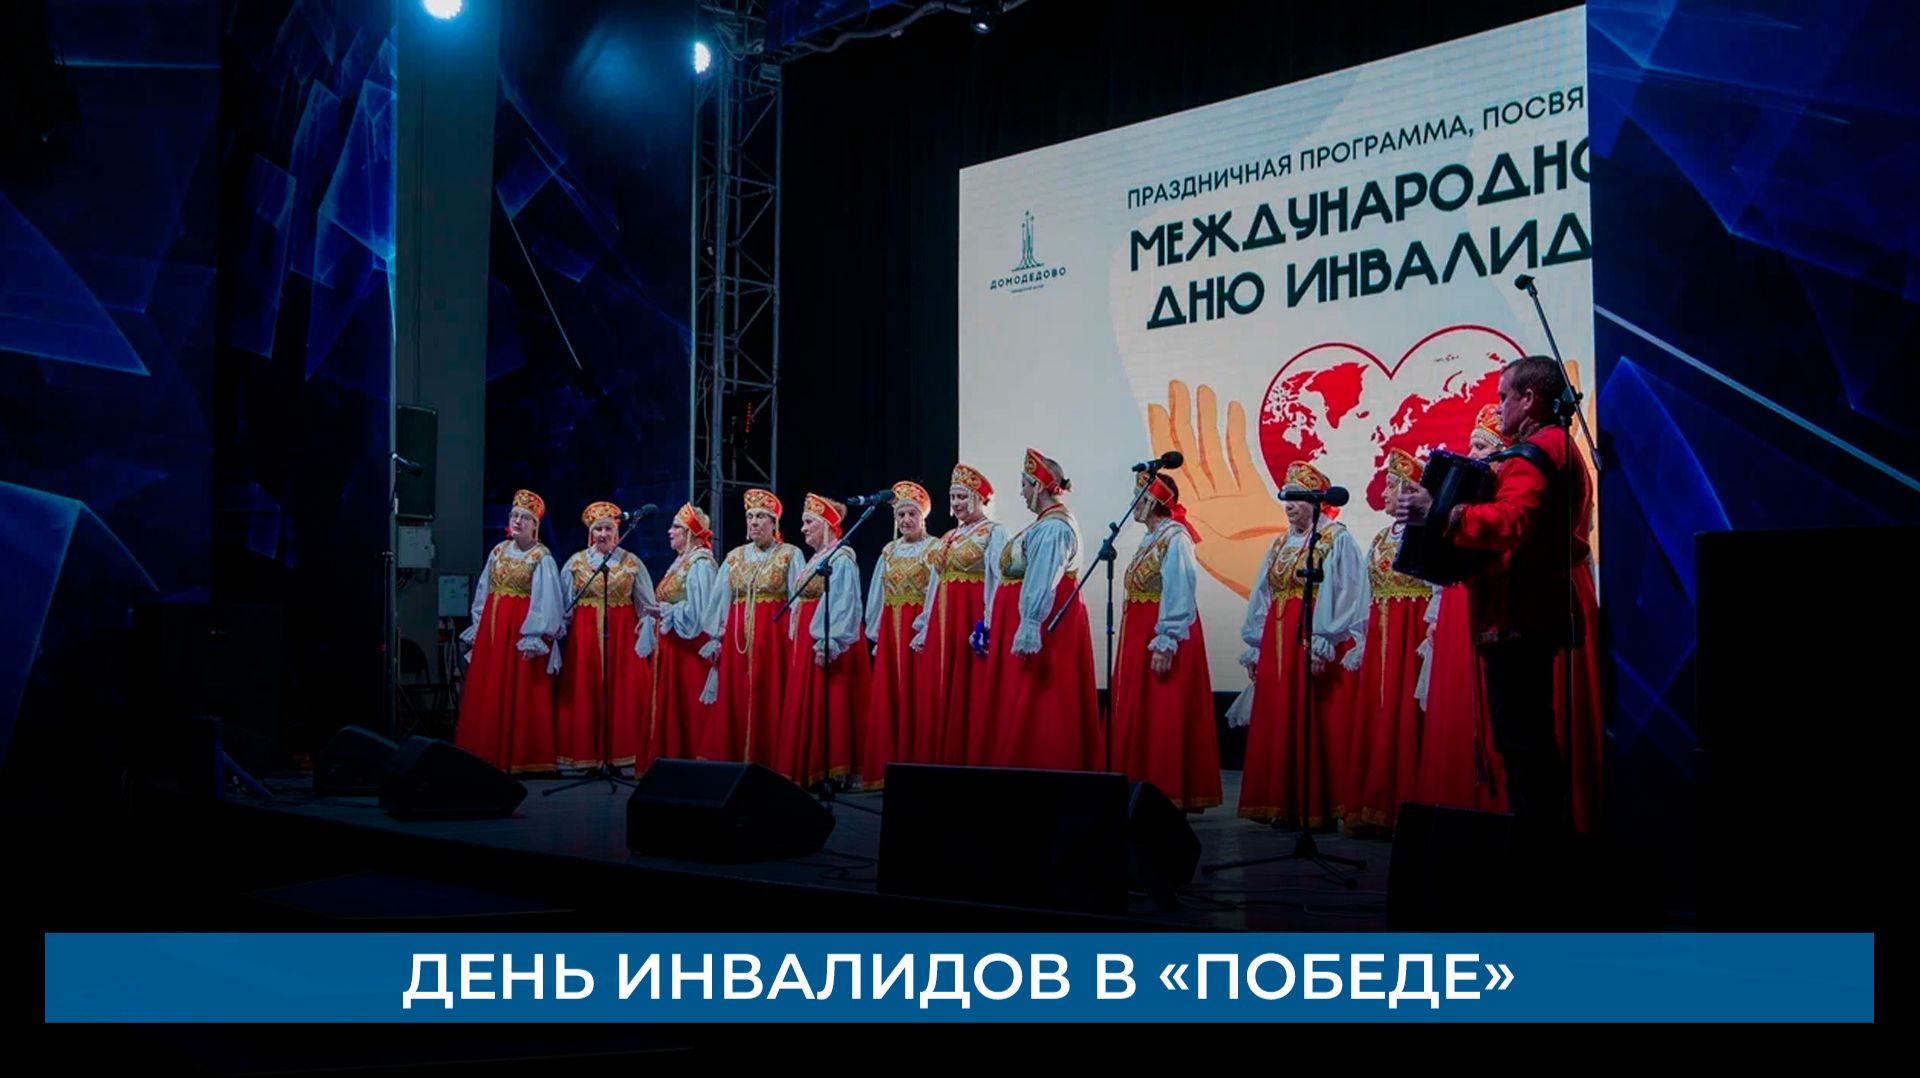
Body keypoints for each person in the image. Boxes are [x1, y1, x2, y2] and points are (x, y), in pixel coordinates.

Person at [1396, 355, 1593, 837]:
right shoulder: (1557, 448)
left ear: (1529, 399)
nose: (1499, 405)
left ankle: (1538, 853)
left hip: (1519, 616)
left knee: (1524, 744)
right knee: (1529, 741)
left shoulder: (1536, 454)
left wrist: (1441, 512)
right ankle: (1541, 847)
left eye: (1504, 396)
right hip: (1533, 611)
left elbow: (1513, 522)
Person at [1234, 461, 1370, 827]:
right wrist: (1256, 644)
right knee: (1282, 715)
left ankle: (1317, 806)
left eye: (1296, 499)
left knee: (1314, 717)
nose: (1289, 506)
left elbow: (1346, 593)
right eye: (1287, 499)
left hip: (1312, 637)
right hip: (1279, 640)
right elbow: (1263, 593)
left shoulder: (1336, 539)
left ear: (1315, 502)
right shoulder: (1281, 542)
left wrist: (1325, 640)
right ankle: (1285, 802)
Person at [973, 449, 1099, 770]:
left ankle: (1040, 762)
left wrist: (1029, 623)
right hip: (1026, 619)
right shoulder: (1044, 524)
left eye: (1024, 485)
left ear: (1039, 486)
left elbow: (1044, 577)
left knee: (1040, 698)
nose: (1021, 493)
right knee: (1023, 697)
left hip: (1042, 624)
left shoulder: (1054, 528)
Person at [1412, 405, 1510, 814]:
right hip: (1457, 602)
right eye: (1471, 446)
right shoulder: (1465, 496)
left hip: (1490, 601)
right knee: (1457, 702)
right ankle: (1455, 798)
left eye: (1481, 447)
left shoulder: (1502, 495)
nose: (1472, 454)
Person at [1110, 471, 1221, 811]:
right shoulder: (1152, 538)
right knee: (1143, 710)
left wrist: (1166, 639)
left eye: (1139, 498)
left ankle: (1168, 788)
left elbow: (1179, 588)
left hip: (1162, 633)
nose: (1134, 504)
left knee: (1163, 710)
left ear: (1154, 501)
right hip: (1139, 631)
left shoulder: (1175, 538)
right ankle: (1139, 781)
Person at [1343, 448, 1434, 833]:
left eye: (1391, 486)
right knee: (1379, 714)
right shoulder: (1381, 537)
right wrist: (1362, 638)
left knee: (1408, 715)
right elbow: (1366, 592)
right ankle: (1374, 804)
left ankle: (1408, 808)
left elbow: (1438, 587)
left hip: (1412, 634)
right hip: (1383, 634)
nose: (1383, 493)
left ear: (1409, 490)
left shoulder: (1427, 534)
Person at [456, 489, 563, 774]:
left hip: (519, 634)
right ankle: (485, 751)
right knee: (490, 688)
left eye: (524, 518)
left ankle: (523, 757)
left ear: (535, 524)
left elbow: (546, 601)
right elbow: (484, 590)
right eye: (514, 515)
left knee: (521, 692)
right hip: (494, 632)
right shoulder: (498, 552)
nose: (517, 521)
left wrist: (535, 636)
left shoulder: (541, 557)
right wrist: (479, 625)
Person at [775, 493, 868, 791]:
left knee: (829, 700)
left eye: (809, 523)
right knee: (807, 699)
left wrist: (828, 642)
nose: (803, 529)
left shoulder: (841, 558)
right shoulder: (817, 559)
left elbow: (843, 601)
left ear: (827, 525)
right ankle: (807, 765)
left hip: (825, 638)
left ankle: (829, 768)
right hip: (807, 637)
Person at [707, 489, 803, 766]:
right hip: (737, 640)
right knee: (736, 695)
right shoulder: (735, 556)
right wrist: (716, 636)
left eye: (761, 516)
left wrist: (795, 638)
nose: (754, 522)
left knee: (770, 694)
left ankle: (771, 759)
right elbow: (720, 598)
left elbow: (797, 599)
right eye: (750, 517)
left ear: (774, 523)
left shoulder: (790, 554)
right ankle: (735, 757)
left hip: (774, 640)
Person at [922, 463, 1007, 764]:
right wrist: (926, 622)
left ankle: (970, 759)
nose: (956, 503)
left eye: (962, 496)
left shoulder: (993, 532)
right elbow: (935, 583)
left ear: (979, 499)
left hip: (970, 618)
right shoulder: (949, 536)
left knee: (970, 689)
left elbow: (998, 579)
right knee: (941, 687)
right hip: (944, 619)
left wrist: (989, 622)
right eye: (953, 497)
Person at [864, 481, 940, 771]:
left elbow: (937, 593)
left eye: (912, 514)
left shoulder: (934, 548)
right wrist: (876, 634)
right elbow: (877, 594)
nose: (906, 520)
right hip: (892, 629)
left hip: (918, 629)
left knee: (918, 693)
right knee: (891, 695)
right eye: (900, 515)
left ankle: (918, 762)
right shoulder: (889, 551)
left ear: (923, 517)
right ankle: (889, 762)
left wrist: (927, 627)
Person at [644, 503, 725, 773]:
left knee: (688, 705)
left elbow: (702, 613)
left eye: (676, 527)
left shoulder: (701, 564)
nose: (670, 531)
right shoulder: (681, 562)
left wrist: (667, 611)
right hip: (674, 645)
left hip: (690, 648)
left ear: (690, 533)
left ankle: (694, 761)